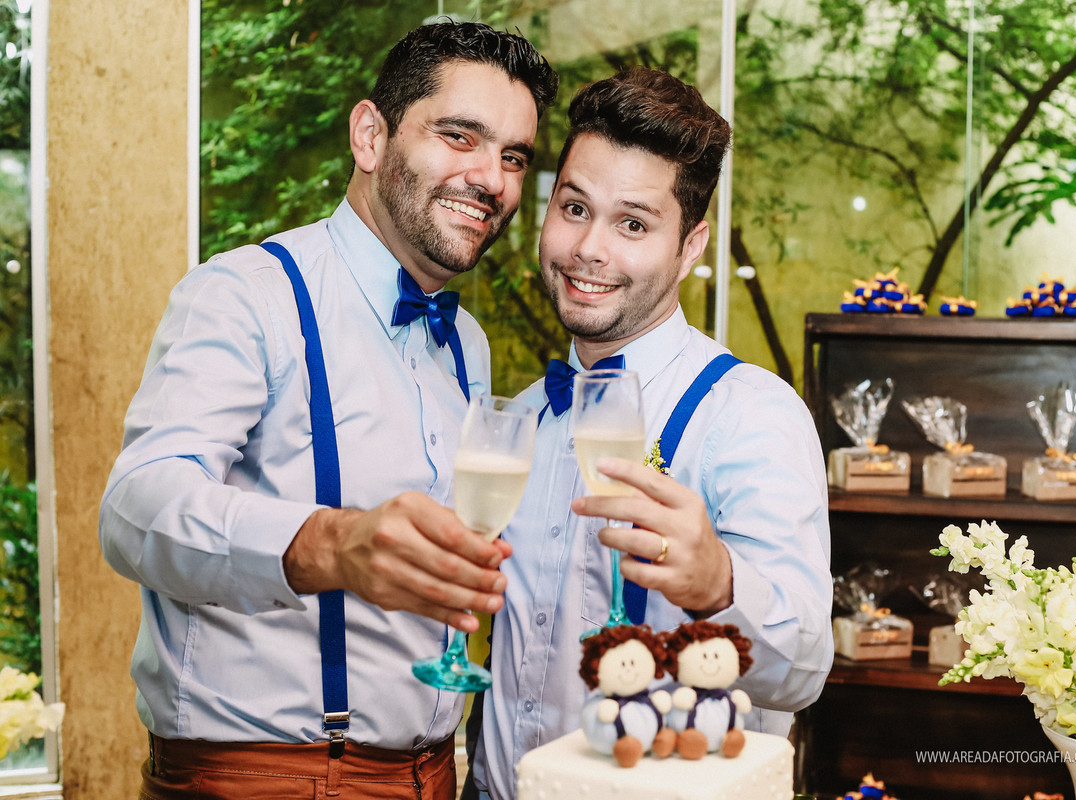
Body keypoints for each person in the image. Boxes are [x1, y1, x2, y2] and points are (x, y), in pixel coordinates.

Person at [98, 21, 557, 800]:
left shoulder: (465, 345)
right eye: (459, 136)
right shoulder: (247, 294)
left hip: (434, 774)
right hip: (264, 779)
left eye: (513, 157)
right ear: (370, 135)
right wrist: (331, 545)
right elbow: (137, 508)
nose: (491, 178)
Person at [470, 67, 834, 800]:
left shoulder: (750, 415)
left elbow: (803, 672)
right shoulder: (523, 419)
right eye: (574, 208)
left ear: (691, 245)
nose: (589, 248)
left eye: (633, 224)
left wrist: (720, 585)